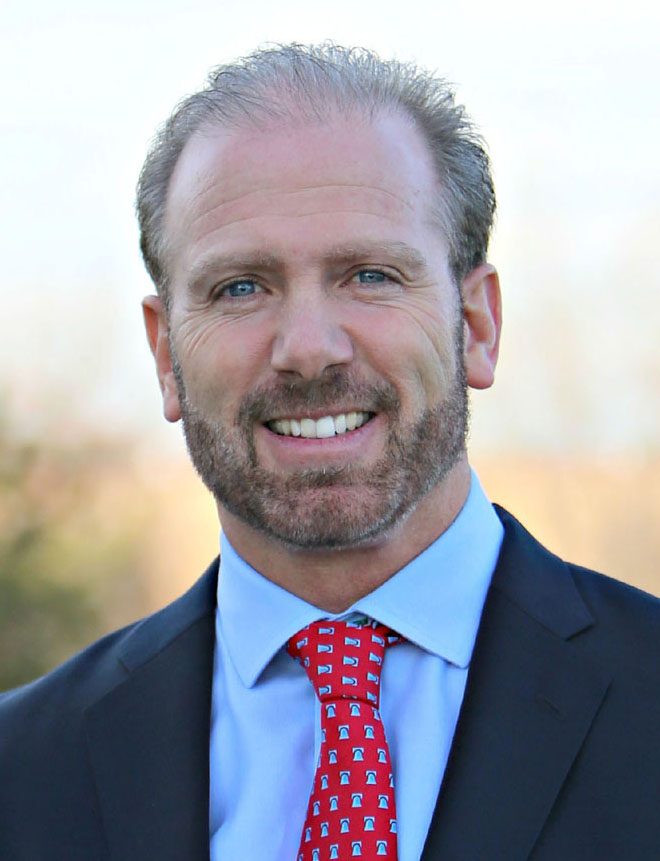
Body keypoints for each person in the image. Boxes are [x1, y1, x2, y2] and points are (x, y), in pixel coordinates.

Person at [0, 43, 658, 861]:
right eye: (241, 287)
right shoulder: (22, 773)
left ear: (477, 325)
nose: (309, 349)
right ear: (166, 354)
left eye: (370, 275)